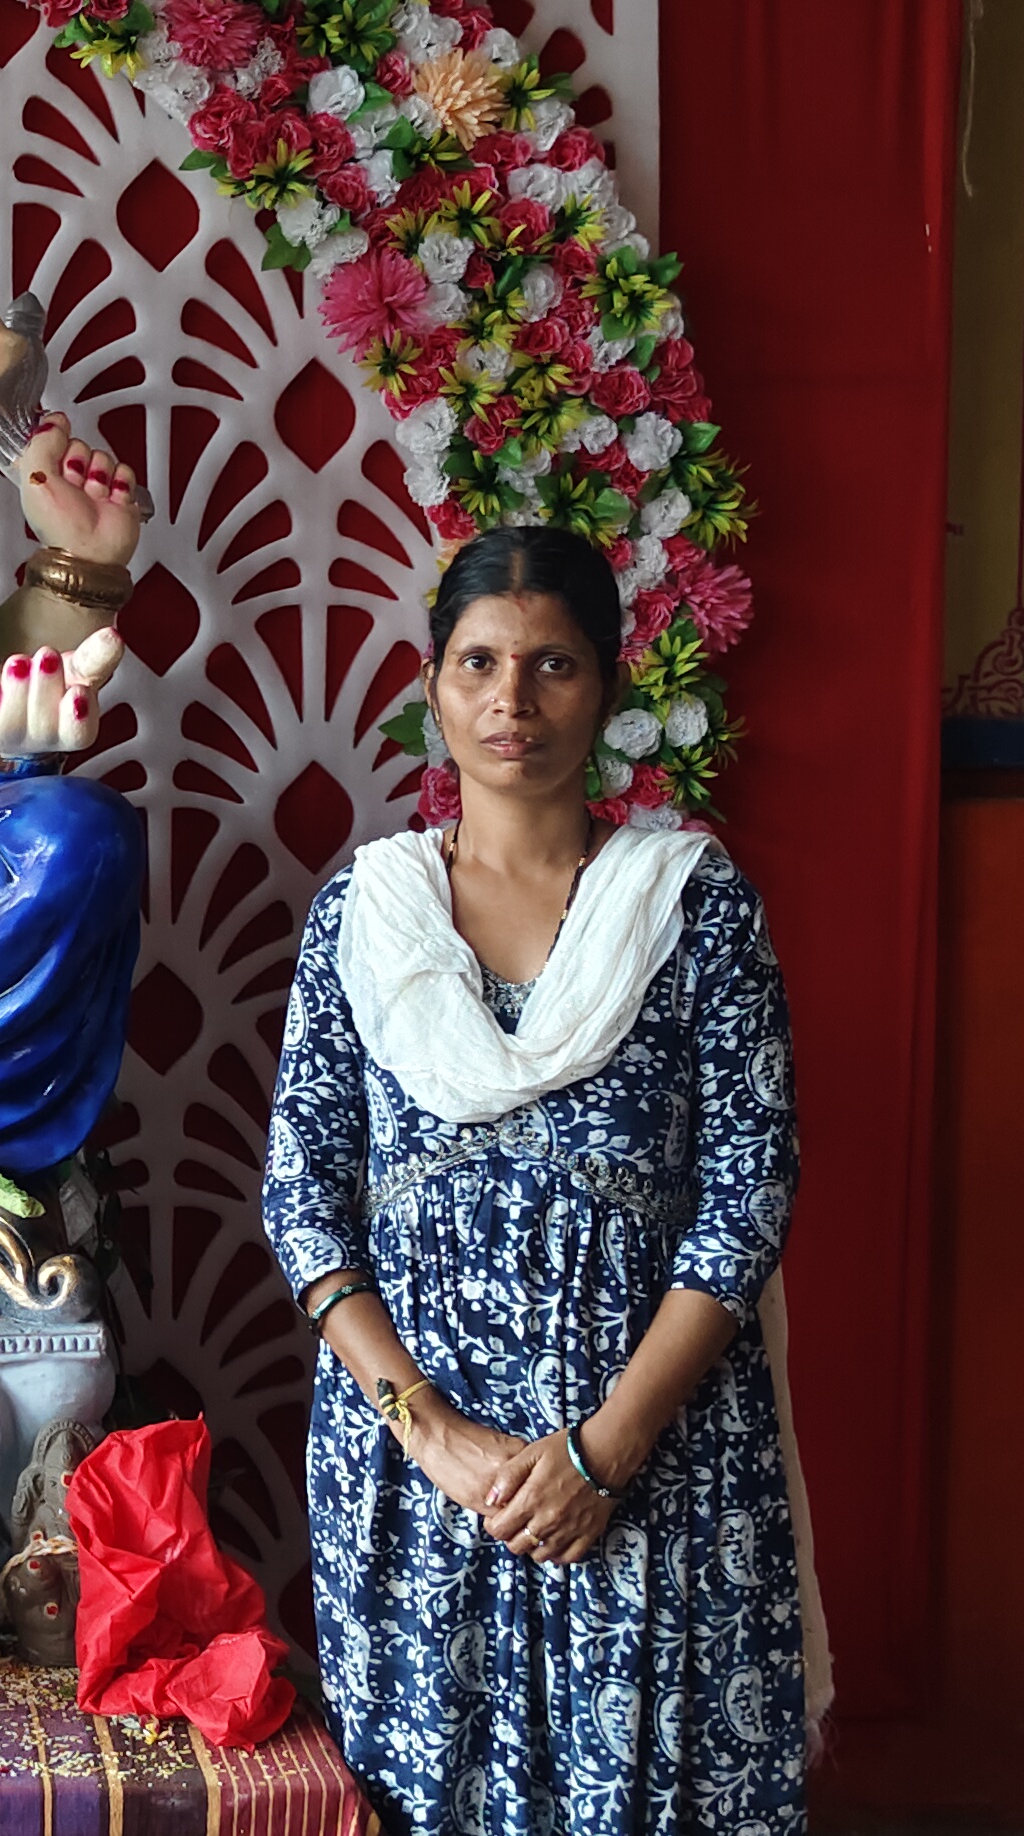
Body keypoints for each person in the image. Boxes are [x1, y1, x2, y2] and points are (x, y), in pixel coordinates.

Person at [259, 526, 812, 1834]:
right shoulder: (368, 912)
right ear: (434, 686)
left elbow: (749, 1189)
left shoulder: (688, 906)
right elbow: (302, 1192)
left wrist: (604, 1452)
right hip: (419, 1477)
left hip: (657, 1466)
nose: (513, 699)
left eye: (554, 664)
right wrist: (433, 1434)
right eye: (481, 662)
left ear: (607, 687)